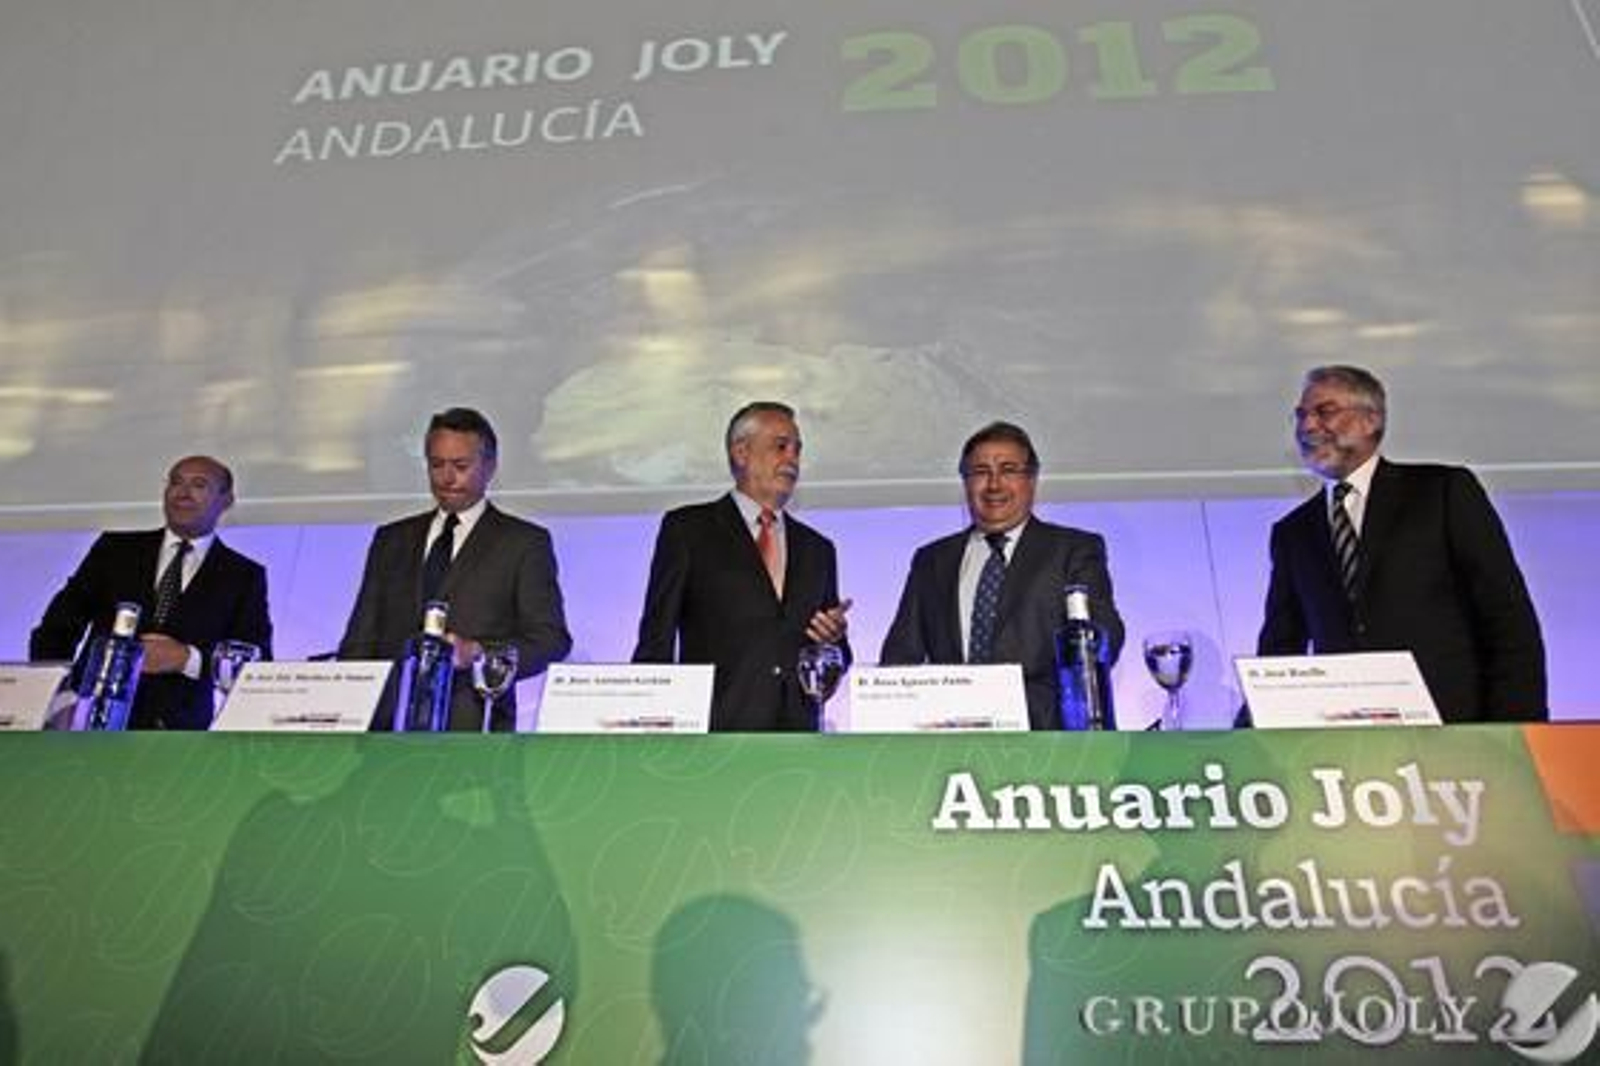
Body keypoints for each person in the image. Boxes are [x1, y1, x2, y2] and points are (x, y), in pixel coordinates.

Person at [1255, 365, 1546, 722]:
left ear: (1371, 420)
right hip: (1346, 752)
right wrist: (1251, 738)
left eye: (1324, 411)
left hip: (1458, 737)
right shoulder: (1293, 533)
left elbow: (1507, 620)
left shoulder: (1442, 492)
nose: (1308, 426)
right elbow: (1280, 649)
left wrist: (1516, 733)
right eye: (1301, 415)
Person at [338, 407, 572, 730]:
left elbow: (550, 640)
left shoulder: (524, 543)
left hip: (476, 733)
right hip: (384, 733)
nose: (447, 478)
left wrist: (479, 654)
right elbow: (359, 642)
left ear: (490, 466)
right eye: (437, 465)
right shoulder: (390, 540)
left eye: (461, 466)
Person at [880, 421, 1124, 730]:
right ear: (965, 483)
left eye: (1008, 470)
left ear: (1031, 480)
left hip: (1050, 742)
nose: (994, 484)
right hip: (949, 745)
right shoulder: (932, 561)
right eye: (980, 472)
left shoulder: (1073, 550)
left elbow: (1104, 639)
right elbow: (900, 659)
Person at [633, 401, 851, 731]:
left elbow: (834, 658)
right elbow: (656, 640)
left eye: (797, 450)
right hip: (712, 737)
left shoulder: (818, 549)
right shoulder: (689, 530)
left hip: (798, 744)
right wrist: (650, 726)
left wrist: (833, 641)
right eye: (781, 446)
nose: (792, 459)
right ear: (741, 453)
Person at [30, 455, 273, 729]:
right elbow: (56, 628)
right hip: (89, 722)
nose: (183, 493)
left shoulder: (243, 575)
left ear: (226, 500)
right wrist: (60, 698)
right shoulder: (114, 550)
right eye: (175, 482)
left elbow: (256, 661)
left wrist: (187, 659)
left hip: (177, 736)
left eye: (199, 484)